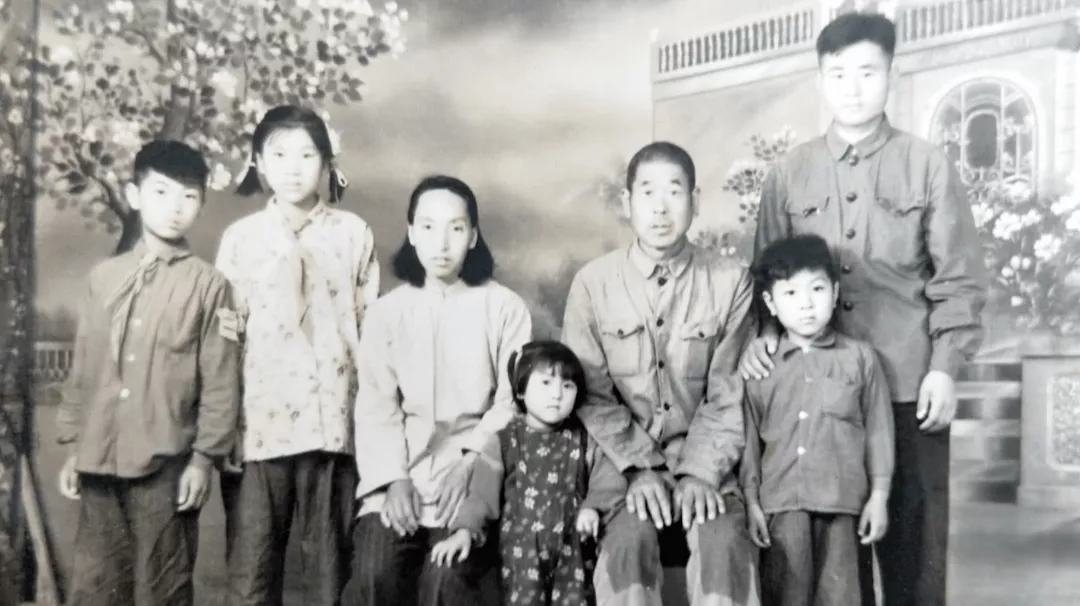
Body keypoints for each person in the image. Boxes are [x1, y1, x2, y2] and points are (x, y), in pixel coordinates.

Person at [742, 12, 988, 606]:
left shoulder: (927, 165)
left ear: (891, 76)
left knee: (914, 558)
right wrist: (764, 338)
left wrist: (945, 367)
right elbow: (765, 274)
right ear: (820, 80)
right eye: (838, 74)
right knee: (824, 570)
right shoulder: (788, 173)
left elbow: (959, 277)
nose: (851, 88)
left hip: (907, 386)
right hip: (811, 395)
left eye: (867, 72)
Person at [561, 141, 759, 606]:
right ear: (627, 202)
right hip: (622, 466)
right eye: (647, 192)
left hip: (709, 459)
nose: (660, 207)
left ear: (696, 200)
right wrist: (639, 468)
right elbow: (591, 395)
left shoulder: (730, 281)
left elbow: (729, 391)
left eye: (674, 190)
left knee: (723, 545)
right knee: (626, 550)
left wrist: (700, 473)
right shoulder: (593, 284)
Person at [56, 140, 241, 606]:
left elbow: (220, 381)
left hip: (166, 466)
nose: (175, 207)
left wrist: (203, 460)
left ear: (201, 204)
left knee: (163, 588)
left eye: (189, 196)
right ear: (134, 195)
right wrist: (76, 447)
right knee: (94, 587)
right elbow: (85, 368)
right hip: (99, 461)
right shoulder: (104, 279)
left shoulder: (210, 286)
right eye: (161, 192)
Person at [213, 105, 380, 606]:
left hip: (333, 426)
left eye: (307, 155)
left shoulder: (353, 234)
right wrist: (225, 425)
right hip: (259, 427)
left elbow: (371, 332)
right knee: (252, 572)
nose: (293, 168)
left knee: (329, 575)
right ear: (259, 163)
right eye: (280, 155)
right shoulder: (241, 239)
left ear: (328, 164)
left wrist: (371, 425)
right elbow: (226, 338)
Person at [342, 175, 533, 606]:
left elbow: (512, 401)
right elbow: (376, 407)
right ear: (411, 233)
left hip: (473, 477)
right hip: (401, 476)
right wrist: (393, 480)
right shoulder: (387, 313)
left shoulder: (504, 308)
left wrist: (470, 462)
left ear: (473, 236)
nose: (441, 243)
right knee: (374, 575)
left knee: (444, 581)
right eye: (428, 227)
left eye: (456, 228)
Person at [740, 234, 894, 606]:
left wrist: (879, 496)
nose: (806, 303)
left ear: (836, 291)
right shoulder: (761, 368)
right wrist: (751, 502)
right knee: (786, 595)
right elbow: (748, 442)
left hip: (842, 507)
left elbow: (878, 432)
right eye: (791, 293)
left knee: (842, 596)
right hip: (781, 509)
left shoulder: (860, 358)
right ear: (770, 303)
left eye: (818, 289)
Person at [431, 339, 626, 606]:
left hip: (574, 557)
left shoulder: (585, 440)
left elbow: (608, 477)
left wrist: (593, 507)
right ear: (521, 390)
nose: (557, 394)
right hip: (521, 559)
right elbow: (481, 497)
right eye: (546, 383)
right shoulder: (503, 441)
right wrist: (464, 531)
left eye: (567, 385)